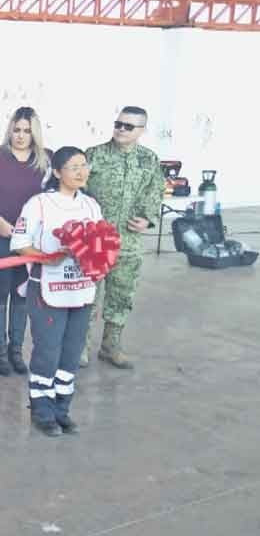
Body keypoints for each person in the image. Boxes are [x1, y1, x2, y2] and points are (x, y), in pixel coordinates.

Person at [11, 146, 103, 436]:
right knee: (47, 351)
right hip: (47, 287)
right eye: (74, 167)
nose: (81, 172)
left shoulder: (90, 205)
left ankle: (63, 408)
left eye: (84, 166)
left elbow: (100, 245)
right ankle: (41, 409)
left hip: (82, 289)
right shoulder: (39, 204)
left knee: (72, 353)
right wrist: (47, 256)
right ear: (57, 172)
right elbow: (19, 243)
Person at [83, 106, 164, 368]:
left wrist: (148, 218)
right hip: (95, 239)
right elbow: (76, 189)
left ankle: (111, 345)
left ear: (142, 130)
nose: (121, 129)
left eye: (129, 126)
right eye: (119, 124)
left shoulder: (148, 159)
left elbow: (155, 191)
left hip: (128, 240)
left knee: (122, 294)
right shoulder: (94, 155)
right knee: (87, 295)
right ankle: (79, 347)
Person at [0, 106, 51, 376]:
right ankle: (0, 352)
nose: (20, 135)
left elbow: (54, 197)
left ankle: (17, 351)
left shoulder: (45, 159)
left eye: (27, 131)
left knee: (22, 293)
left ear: (35, 133)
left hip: (31, 239)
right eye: (16, 130)